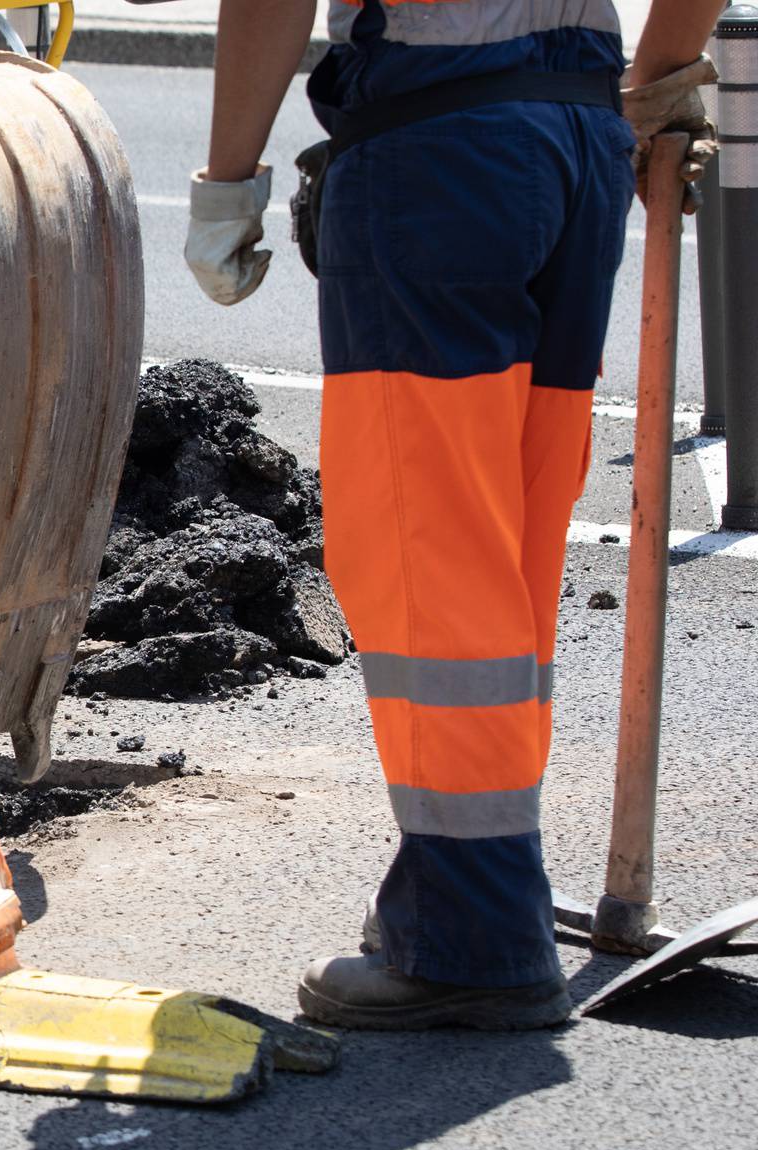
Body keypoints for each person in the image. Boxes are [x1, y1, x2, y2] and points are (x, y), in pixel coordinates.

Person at [187, 0, 723, 1029]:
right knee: (508, 545)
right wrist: (658, 76)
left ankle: (475, 935)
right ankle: (471, 876)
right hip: (576, 132)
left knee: (425, 547)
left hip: (444, 145)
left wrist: (227, 180)